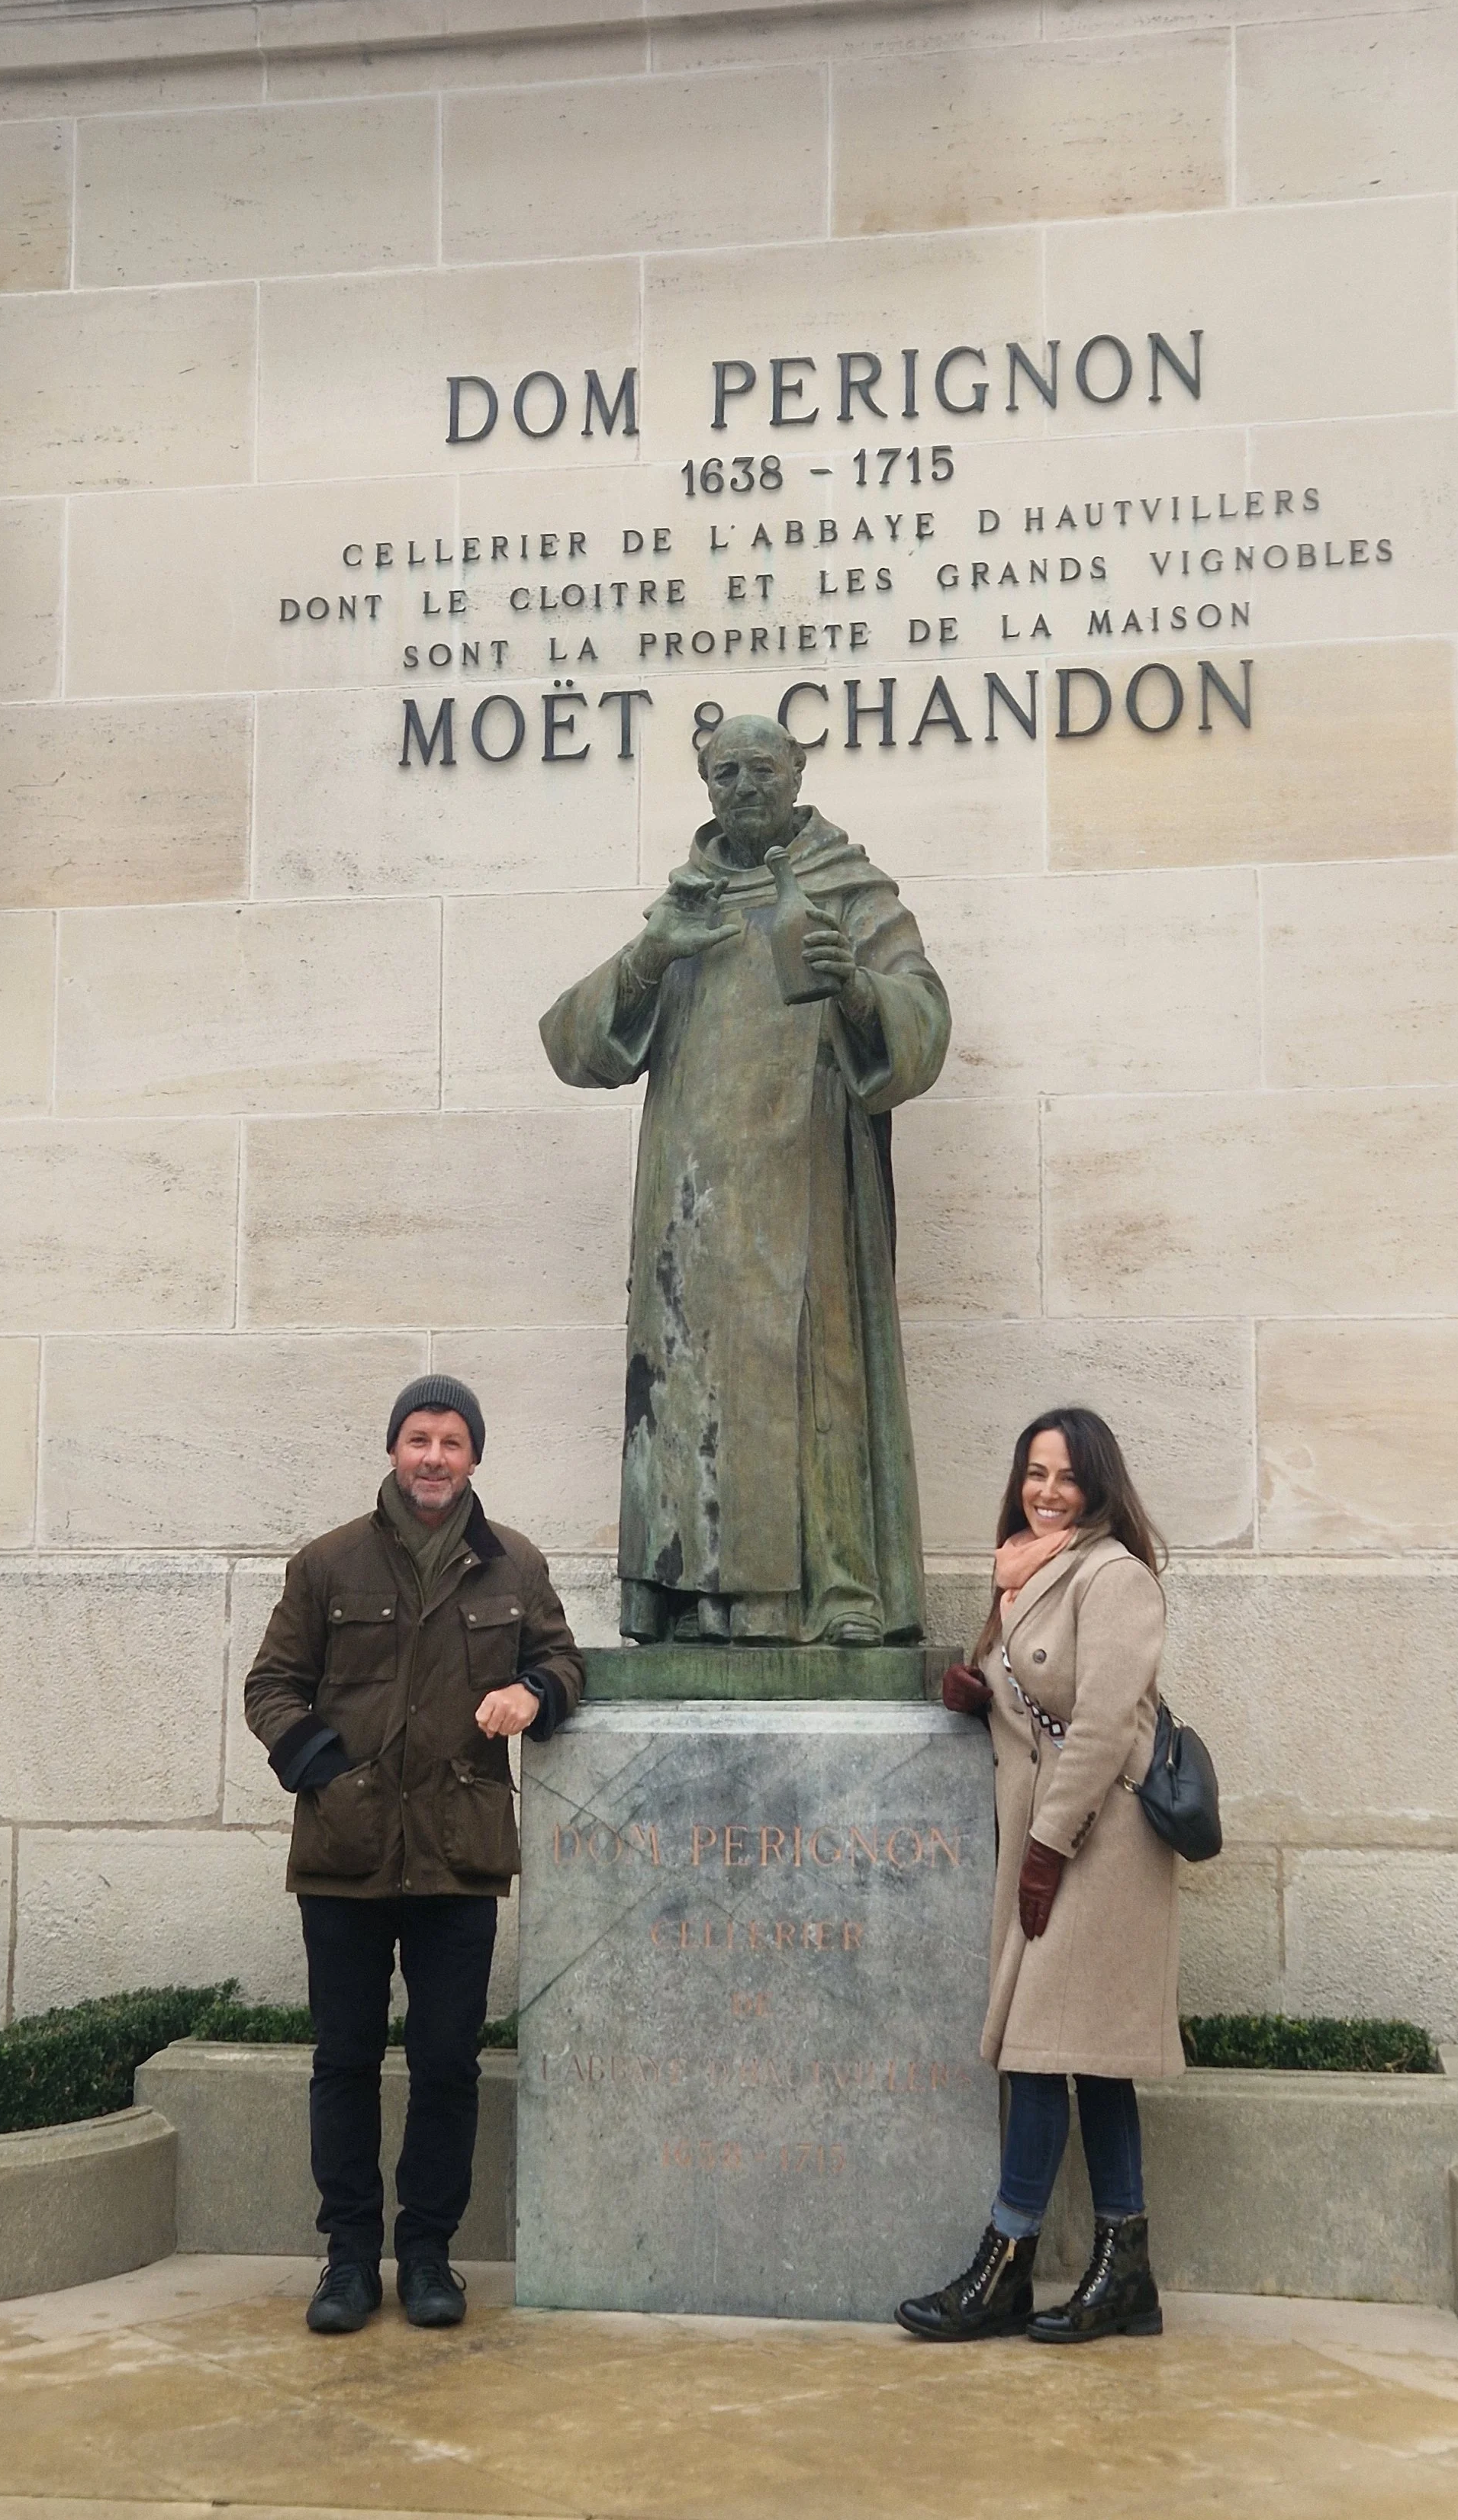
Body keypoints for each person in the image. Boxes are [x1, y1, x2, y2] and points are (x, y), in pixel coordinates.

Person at [539, 712, 951, 1649]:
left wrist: (854, 986)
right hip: (689, 1206)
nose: (743, 787)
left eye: (761, 768)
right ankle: (694, 1602)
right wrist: (650, 956)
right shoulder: (686, 904)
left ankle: (835, 1592)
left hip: (808, 1181)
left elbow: (922, 1023)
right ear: (705, 783)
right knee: (690, 1396)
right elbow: (572, 1045)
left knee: (815, 1381)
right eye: (725, 772)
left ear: (798, 770)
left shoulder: (851, 889)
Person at [243, 1374, 584, 2336]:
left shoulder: (513, 1565)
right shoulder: (327, 1564)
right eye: (418, 1438)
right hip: (345, 1857)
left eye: (452, 1442)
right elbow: (271, 1685)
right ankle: (349, 2259)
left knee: (446, 2064)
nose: (434, 1457)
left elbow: (563, 1661)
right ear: (393, 1449)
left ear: (475, 1457)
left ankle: (429, 2255)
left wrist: (534, 1696)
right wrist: (328, 1773)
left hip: (459, 1854)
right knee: (344, 2061)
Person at [896, 1407, 1180, 2345]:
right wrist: (979, 1693)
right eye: (1034, 1472)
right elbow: (1036, 1696)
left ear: (1098, 1486)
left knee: (1042, 2050)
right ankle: (1122, 2267)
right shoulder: (1022, 1571)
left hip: (1097, 1843)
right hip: (1050, 1844)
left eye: (1065, 1476)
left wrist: (1050, 1850)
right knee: (1083, 2060)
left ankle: (1007, 2262)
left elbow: (1100, 1725)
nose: (1047, 1491)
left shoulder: (1115, 1576)